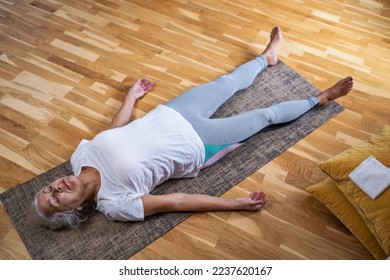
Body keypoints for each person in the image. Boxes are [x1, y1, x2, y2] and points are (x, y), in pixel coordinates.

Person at [33, 26, 353, 230]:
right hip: (199, 144)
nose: (56, 189)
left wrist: (130, 96)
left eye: (49, 189)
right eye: (56, 200)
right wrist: (235, 204)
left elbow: (114, 129)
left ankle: (266, 58)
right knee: (265, 116)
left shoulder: (79, 156)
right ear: (74, 210)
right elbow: (177, 202)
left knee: (226, 83)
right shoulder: (115, 205)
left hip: (173, 111)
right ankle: (321, 98)